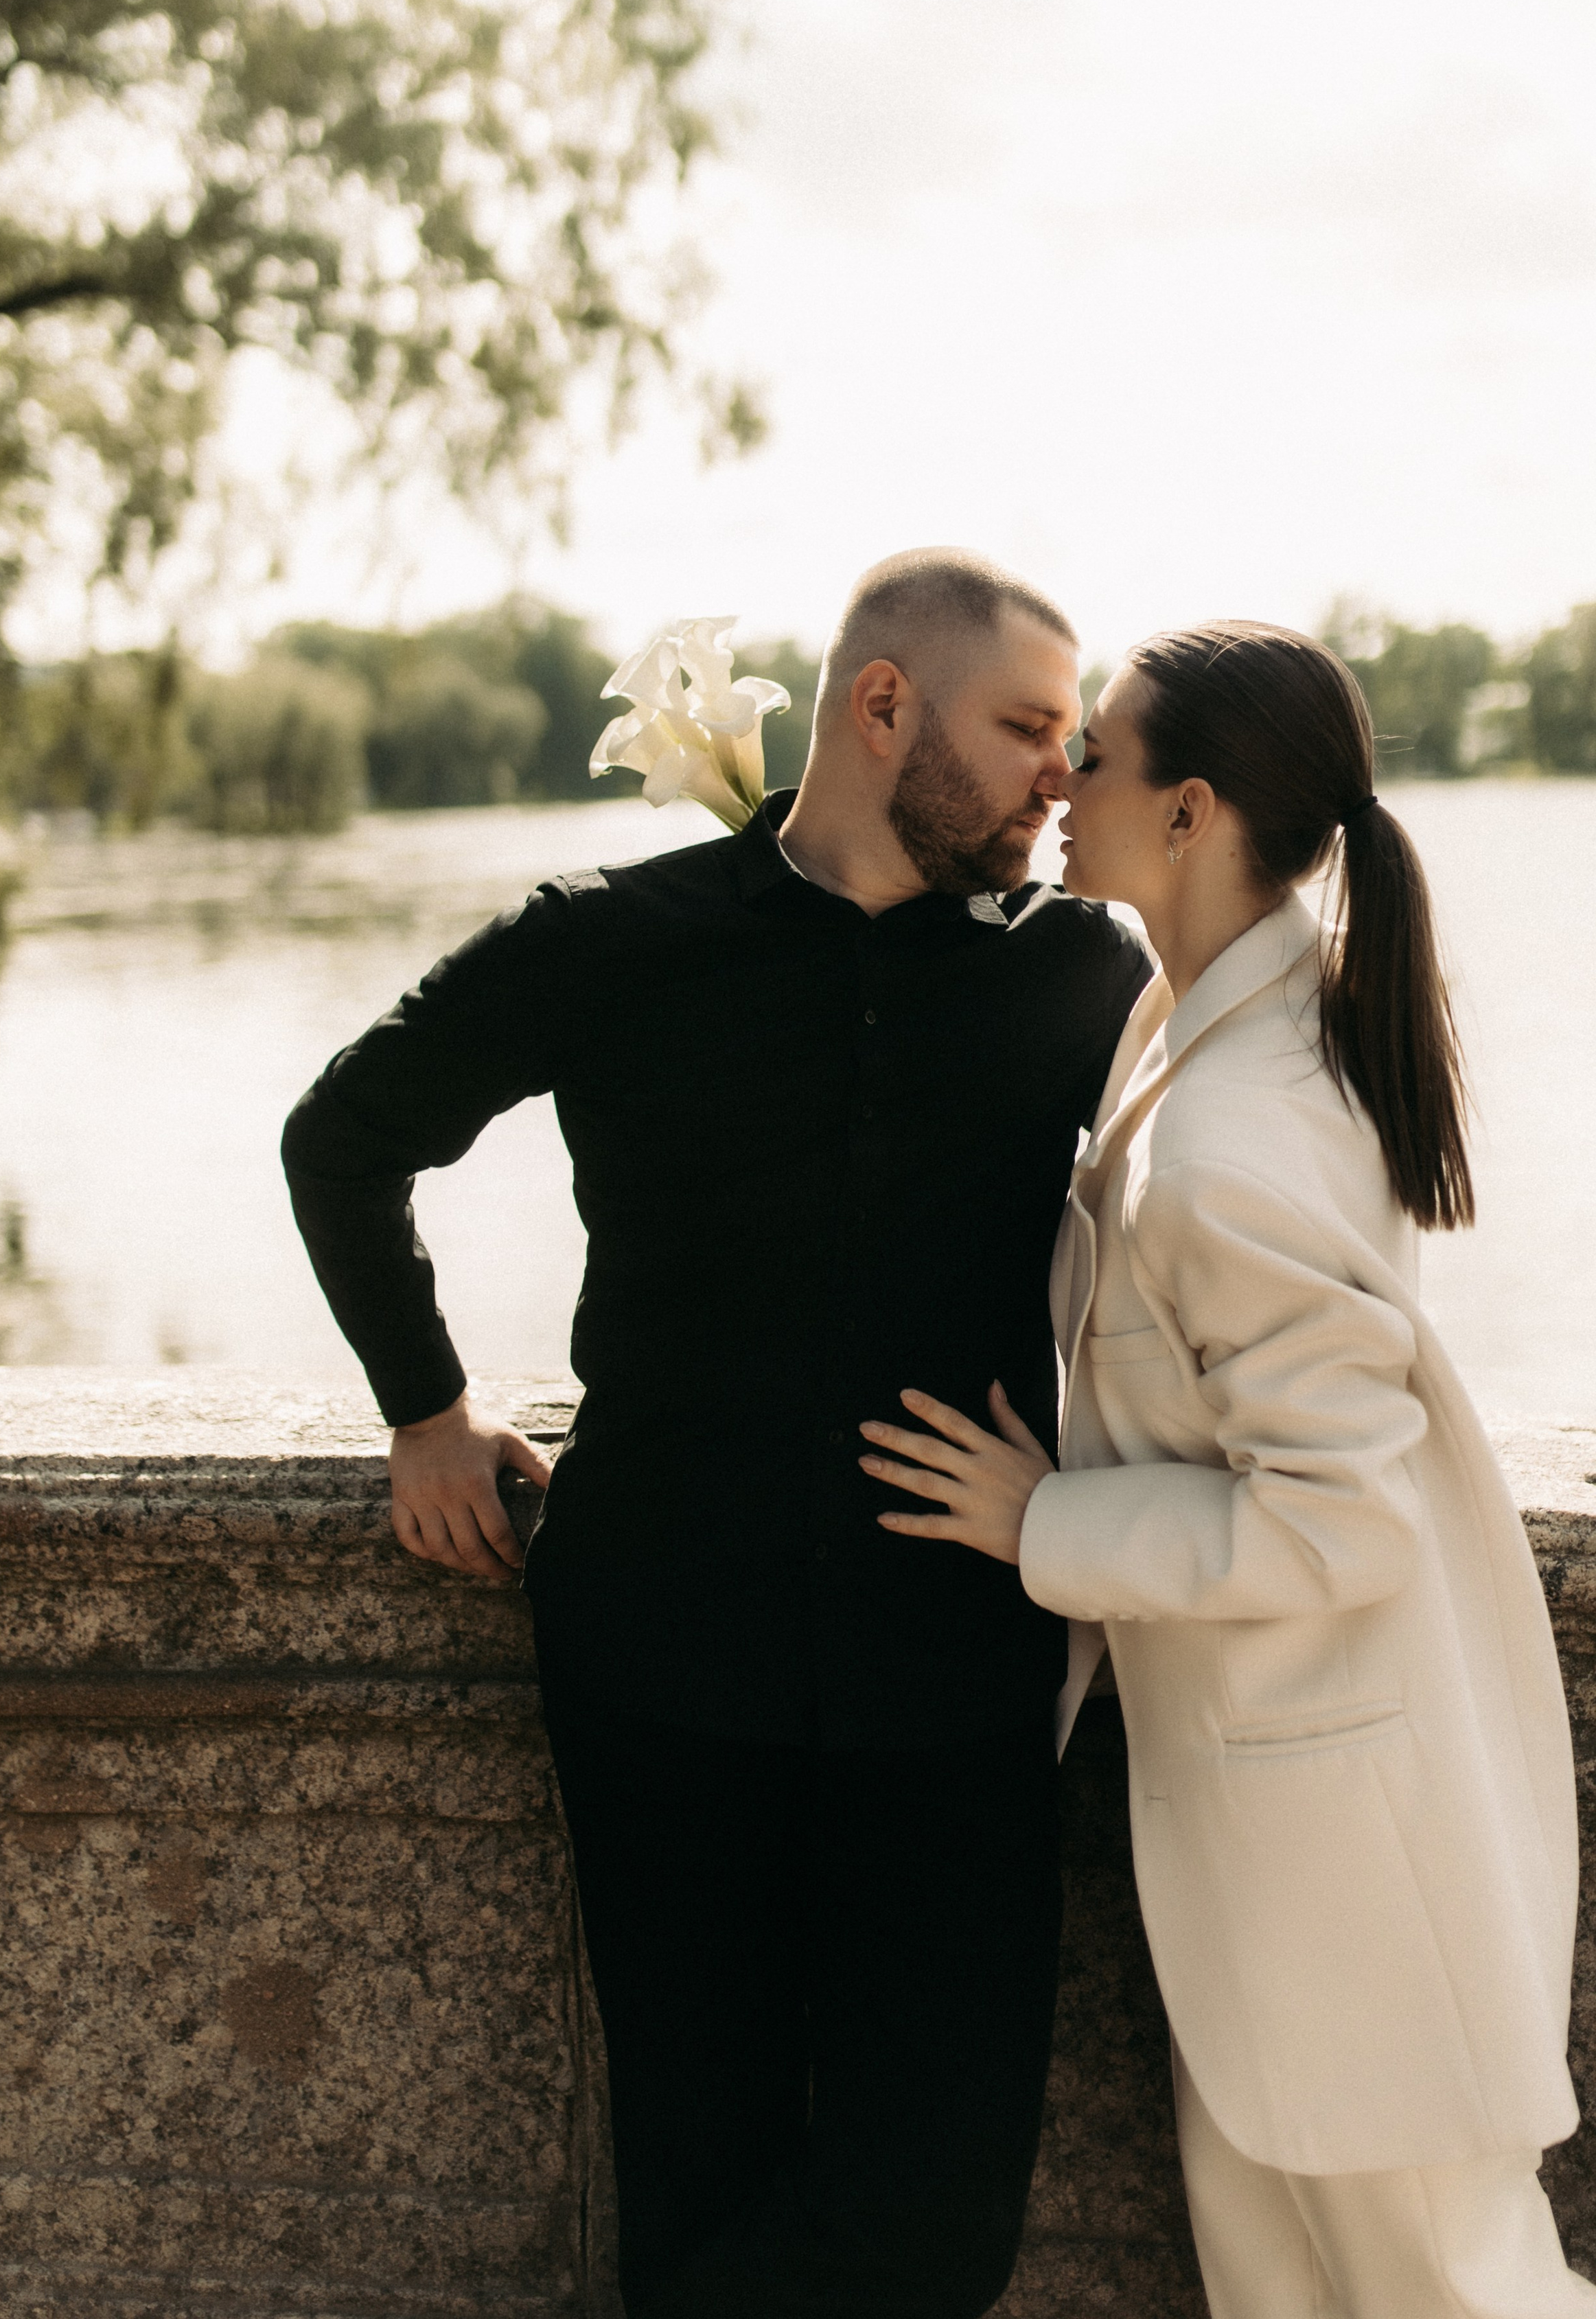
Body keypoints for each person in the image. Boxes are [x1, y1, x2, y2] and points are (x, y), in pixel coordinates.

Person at [281, 548, 1150, 2319]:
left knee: (941, 2222)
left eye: (1070, 737)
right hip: (659, 1669)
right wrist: (425, 1408)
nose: (1059, 774)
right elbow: (343, 1136)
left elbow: (1236, 1207)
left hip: (955, 1678)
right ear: (880, 705)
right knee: (694, 2174)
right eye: (1026, 728)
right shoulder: (609, 939)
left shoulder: (1080, 974)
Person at [864, 619, 1595, 2319]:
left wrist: (1042, 1521)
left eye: (1095, 756)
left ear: (1189, 813)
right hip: (1274, 1843)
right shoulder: (1201, 1030)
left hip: (1346, 1852)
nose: (1057, 779)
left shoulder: (1228, 1138)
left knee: (1453, 2295)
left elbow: (1338, 1516)